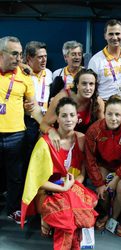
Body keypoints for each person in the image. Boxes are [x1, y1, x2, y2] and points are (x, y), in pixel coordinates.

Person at [21, 97, 98, 250]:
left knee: (91, 203)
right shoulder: (45, 143)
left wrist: (71, 186)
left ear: (78, 117)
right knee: (68, 217)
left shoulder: (81, 139)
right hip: (49, 191)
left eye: (72, 115)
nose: (68, 119)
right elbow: (38, 182)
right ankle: (49, 219)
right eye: (64, 115)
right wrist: (63, 188)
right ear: (57, 118)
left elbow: (82, 173)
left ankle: (50, 221)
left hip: (71, 187)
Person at [0, 36, 43, 223]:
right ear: (1, 54)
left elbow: (33, 107)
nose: (20, 58)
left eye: (20, 54)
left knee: (15, 177)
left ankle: (13, 209)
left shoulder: (25, 76)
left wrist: (46, 126)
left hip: (16, 135)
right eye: (15, 54)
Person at [84, 95, 121, 237]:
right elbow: (90, 159)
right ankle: (105, 214)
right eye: (110, 114)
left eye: (117, 114)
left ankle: (114, 219)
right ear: (104, 114)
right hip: (104, 165)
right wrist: (98, 183)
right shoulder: (94, 130)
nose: (113, 118)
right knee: (103, 187)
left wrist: (117, 178)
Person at [40, 68, 105, 150]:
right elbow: (43, 124)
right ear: (77, 85)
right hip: (60, 141)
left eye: (91, 84)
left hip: (82, 143)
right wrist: (51, 131)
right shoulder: (62, 98)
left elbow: (104, 130)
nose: (88, 88)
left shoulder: (98, 102)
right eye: (84, 84)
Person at [88, 19, 121, 102]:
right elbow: (91, 88)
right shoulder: (95, 60)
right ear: (105, 36)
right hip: (105, 104)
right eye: (111, 34)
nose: (115, 37)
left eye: (117, 34)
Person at [24, 41, 53, 168]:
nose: (44, 60)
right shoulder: (23, 74)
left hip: (45, 120)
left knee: (42, 157)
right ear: (29, 58)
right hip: (28, 121)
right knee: (27, 157)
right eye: (40, 57)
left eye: (45, 56)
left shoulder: (49, 73)